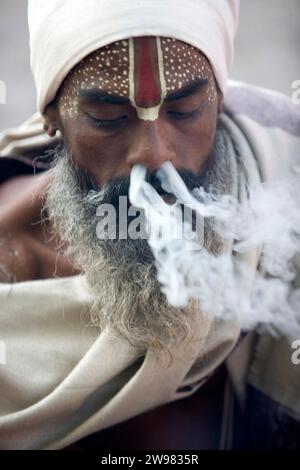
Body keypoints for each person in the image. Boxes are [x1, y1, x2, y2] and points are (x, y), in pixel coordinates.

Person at [0, 0, 299, 450]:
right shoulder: (10, 264)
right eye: (108, 118)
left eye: (184, 111)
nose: (155, 153)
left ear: (218, 101)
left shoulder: (282, 171)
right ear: (53, 118)